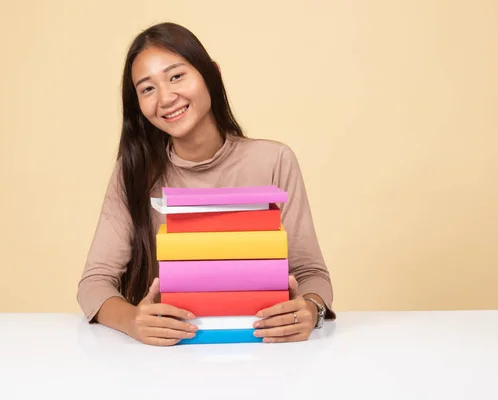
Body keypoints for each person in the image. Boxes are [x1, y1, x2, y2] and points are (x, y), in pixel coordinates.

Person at [77, 22, 335, 346]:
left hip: (263, 351)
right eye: (147, 88)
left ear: (211, 74)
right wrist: (133, 322)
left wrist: (310, 310)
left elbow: (312, 273)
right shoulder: (133, 174)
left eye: (176, 76)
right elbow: (93, 283)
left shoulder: (274, 161)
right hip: (168, 357)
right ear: (138, 106)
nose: (166, 97)